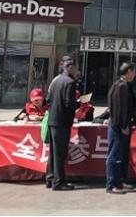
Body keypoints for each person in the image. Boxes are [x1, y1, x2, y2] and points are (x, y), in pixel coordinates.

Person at [106, 62, 136, 195]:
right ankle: (112, 184)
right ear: (129, 72)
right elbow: (119, 109)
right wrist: (123, 126)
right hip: (118, 127)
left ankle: (120, 181)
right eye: (134, 71)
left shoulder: (121, 85)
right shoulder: (122, 87)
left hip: (119, 126)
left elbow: (130, 106)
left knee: (121, 155)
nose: (135, 74)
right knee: (115, 156)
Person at [45, 56, 80, 191]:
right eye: (75, 68)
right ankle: (59, 182)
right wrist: (79, 103)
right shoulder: (70, 82)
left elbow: (48, 99)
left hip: (53, 120)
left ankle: (50, 178)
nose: (77, 71)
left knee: (53, 152)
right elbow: (69, 103)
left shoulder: (56, 80)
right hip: (62, 121)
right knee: (60, 154)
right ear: (70, 67)